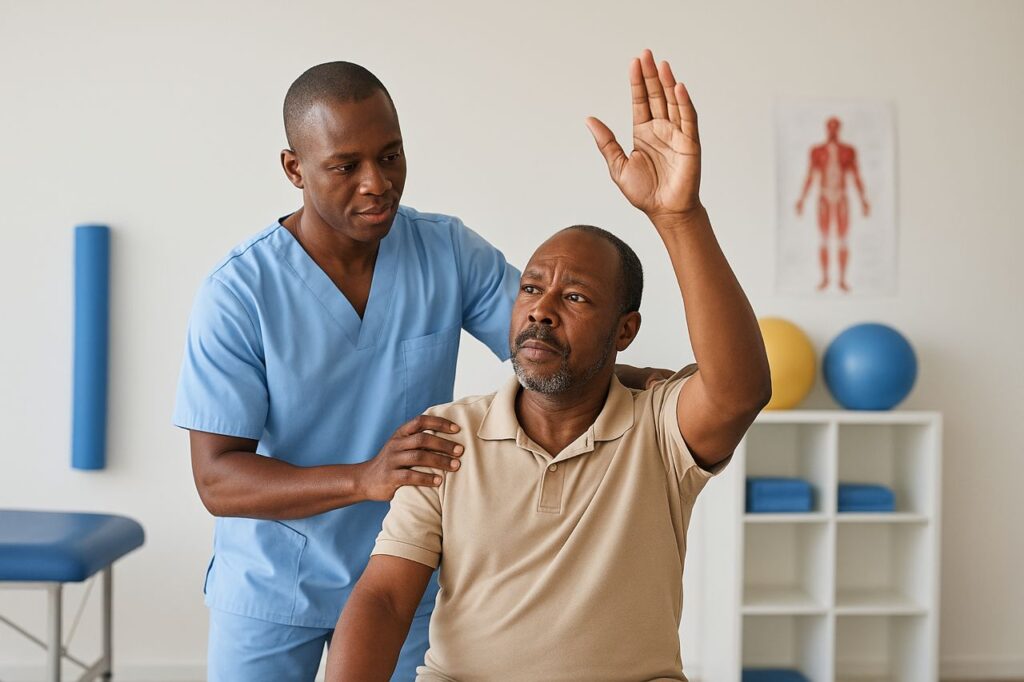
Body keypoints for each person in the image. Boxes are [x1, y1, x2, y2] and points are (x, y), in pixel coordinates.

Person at [173, 61, 664, 682]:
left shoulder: (446, 252)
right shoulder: (238, 293)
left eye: (391, 156)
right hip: (275, 587)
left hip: (407, 575)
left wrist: (675, 391)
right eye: (346, 166)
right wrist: (363, 479)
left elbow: (551, 348)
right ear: (295, 169)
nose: (377, 183)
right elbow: (217, 480)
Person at [325, 49, 771, 682]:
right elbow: (387, 596)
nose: (541, 311)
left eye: (576, 297)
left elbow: (738, 391)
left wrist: (677, 216)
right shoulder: (449, 435)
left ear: (625, 331)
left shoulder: (661, 433)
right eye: (531, 288)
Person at [795, 116, 870, 292]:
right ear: (827, 129)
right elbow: (810, 175)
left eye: (836, 127)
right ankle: (825, 278)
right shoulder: (817, 151)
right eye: (830, 127)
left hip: (841, 196)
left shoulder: (848, 151)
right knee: (824, 239)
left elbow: (856, 175)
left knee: (843, 239)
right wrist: (802, 199)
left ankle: (842, 279)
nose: (833, 130)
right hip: (824, 196)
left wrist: (863, 200)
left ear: (839, 129)